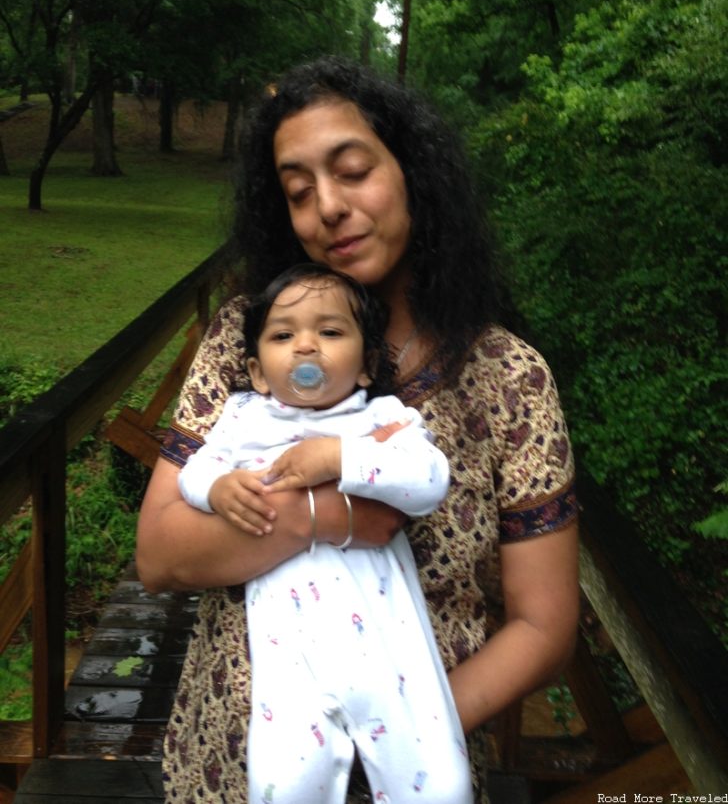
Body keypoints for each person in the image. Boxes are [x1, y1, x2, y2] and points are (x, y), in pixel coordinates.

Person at [136, 56, 580, 803]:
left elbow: (544, 624)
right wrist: (332, 514)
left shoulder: (510, 379)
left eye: (352, 171)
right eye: (299, 192)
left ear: (411, 171)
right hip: (229, 768)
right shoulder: (248, 344)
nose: (328, 208)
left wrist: (400, 738)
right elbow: (160, 551)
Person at [177, 262, 472, 804]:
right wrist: (218, 489)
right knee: (282, 784)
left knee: (442, 787)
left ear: (365, 367)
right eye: (283, 334)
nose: (306, 346)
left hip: (389, 652)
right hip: (287, 655)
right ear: (259, 372)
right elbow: (192, 472)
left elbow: (430, 481)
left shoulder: (383, 421)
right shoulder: (244, 419)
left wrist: (341, 457)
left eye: (331, 332)